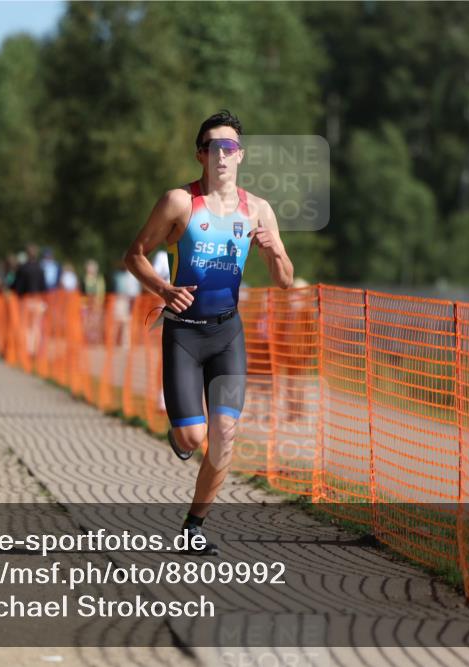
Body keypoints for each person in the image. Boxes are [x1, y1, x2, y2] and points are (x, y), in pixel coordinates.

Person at [124, 110, 294, 555]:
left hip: (227, 334)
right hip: (183, 332)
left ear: (241, 155)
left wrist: (276, 252)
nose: (222, 154)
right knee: (194, 439)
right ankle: (179, 434)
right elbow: (134, 255)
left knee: (225, 434)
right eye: (214, 147)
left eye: (230, 147)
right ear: (201, 154)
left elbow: (285, 280)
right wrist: (163, 287)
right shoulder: (179, 202)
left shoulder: (257, 209)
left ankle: (193, 527)